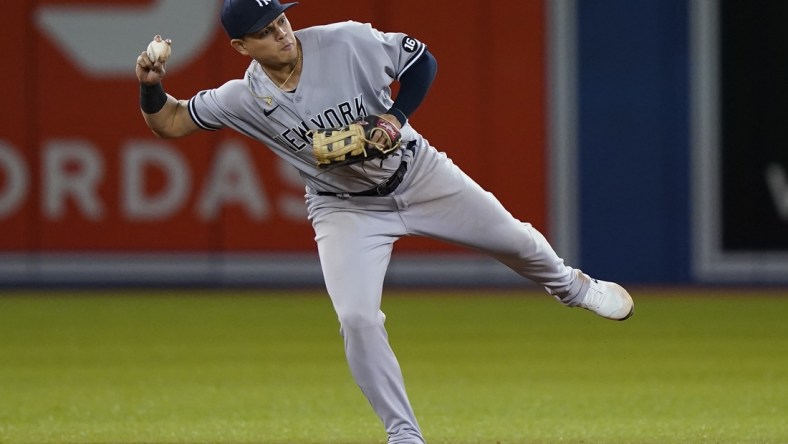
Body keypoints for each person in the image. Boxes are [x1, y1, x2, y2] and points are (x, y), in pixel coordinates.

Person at [135, 1, 634, 443]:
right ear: (242, 46)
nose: (282, 31)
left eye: (282, 19)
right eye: (265, 30)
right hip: (343, 207)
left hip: (417, 172)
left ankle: (571, 286)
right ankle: (404, 434)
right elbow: (172, 122)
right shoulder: (243, 99)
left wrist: (395, 117)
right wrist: (151, 86)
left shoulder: (345, 40)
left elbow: (421, 61)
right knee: (356, 319)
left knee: (513, 239)